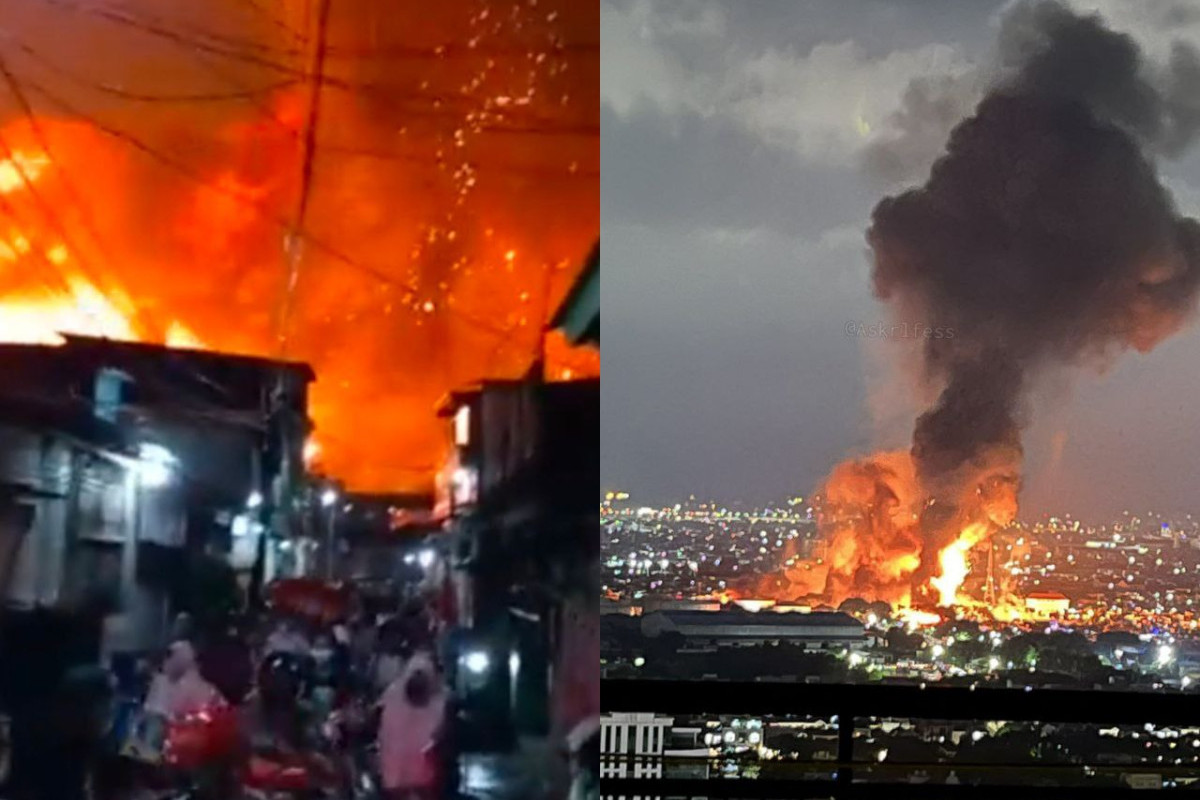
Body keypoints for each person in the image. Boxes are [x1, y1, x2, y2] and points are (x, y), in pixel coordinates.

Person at [378, 649, 447, 800]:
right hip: (396, 767)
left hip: (422, 771)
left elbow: (439, 734)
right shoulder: (393, 695)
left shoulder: (438, 701)